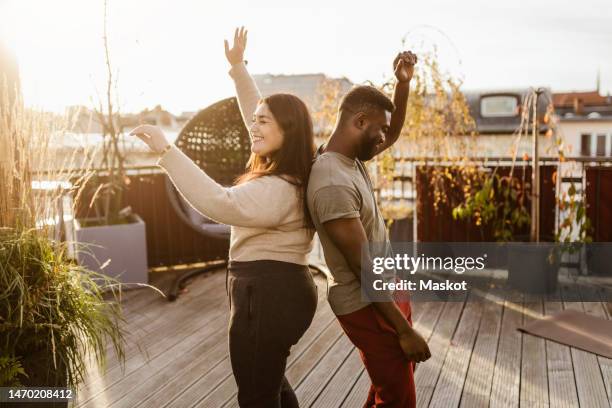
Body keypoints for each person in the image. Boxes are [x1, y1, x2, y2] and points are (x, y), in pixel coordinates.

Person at [131, 27, 317, 408]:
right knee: (271, 386)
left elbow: (217, 201)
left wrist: (167, 151)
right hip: (273, 291)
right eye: (257, 120)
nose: (255, 126)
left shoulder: (279, 188)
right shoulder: (294, 172)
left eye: (265, 122)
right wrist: (238, 69)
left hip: (267, 293)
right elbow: (257, 110)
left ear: (289, 130)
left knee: (256, 395)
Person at [306, 51, 431, 407]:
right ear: (359, 121)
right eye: (379, 131)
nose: (384, 140)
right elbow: (363, 268)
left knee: (388, 386)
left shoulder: (350, 156)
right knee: (398, 398)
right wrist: (404, 330)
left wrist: (402, 86)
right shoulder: (331, 182)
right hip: (366, 304)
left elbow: (388, 131)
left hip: (384, 291)